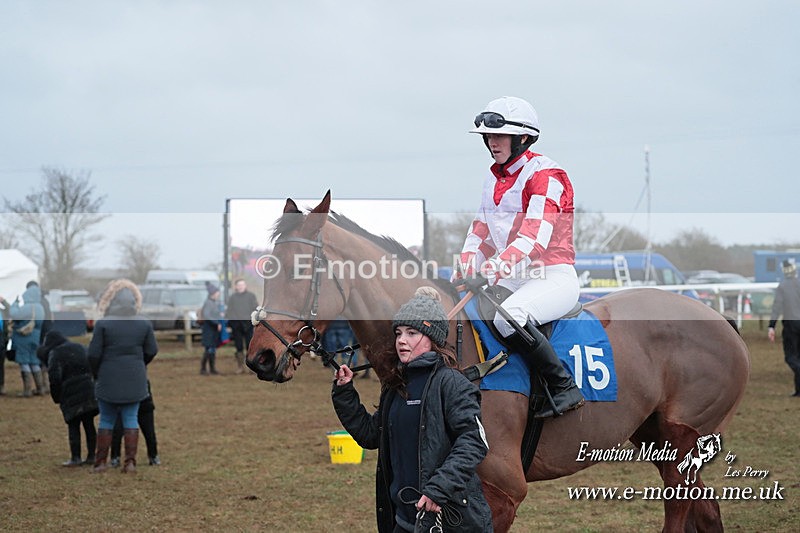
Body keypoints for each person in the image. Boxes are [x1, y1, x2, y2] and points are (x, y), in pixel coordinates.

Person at [453, 95, 583, 418]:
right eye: (488, 136)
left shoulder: (546, 175)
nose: (492, 142)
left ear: (523, 138)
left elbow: (534, 239)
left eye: (500, 136)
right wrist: (467, 267)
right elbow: (480, 232)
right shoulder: (493, 178)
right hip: (514, 277)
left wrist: (490, 270)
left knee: (508, 316)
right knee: (471, 311)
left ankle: (563, 385)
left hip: (552, 275)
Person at [332, 287, 493, 533]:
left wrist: (439, 489)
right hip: (404, 520)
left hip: (449, 520)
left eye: (412, 332)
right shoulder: (396, 386)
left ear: (433, 338)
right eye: (398, 333)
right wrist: (345, 393)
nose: (401, 340)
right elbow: (371, 435)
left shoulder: (452, 383)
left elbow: (473, 442)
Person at [88, 279, 158, 473]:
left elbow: (93, 354)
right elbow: (152, 350)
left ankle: (101, 462)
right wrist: (139, 363)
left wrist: (97, 373)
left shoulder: (103, 324)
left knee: (106, 419)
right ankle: (130, 463)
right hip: (135, 377)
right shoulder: (144, 323)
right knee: (131, 418)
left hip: (107, 376)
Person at [40, 330, 98, 466]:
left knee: (73, 425)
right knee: (89, 424)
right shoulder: (80, 347)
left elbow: (54, 377)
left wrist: (56, 397)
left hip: (70, 393)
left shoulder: (55, 353)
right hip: (89, 390)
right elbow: (93, 364)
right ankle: (92, 456)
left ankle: (75, 457)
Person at [7, 283, 46, 397]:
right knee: (34, 362)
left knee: (24, 362)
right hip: (35, 338)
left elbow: (14, 314)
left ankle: (27, 390)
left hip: (23, 338)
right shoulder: (40, 308)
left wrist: (15, 303)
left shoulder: (28, 307)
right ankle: (40, 388)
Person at [768, 260, 800, 397]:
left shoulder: (782, 286)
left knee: (791, 357)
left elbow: (777, 307)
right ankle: (798, 390)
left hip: (791, 326)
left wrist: (772, 325)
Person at [110, 380, 160, 467]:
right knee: (117, 431)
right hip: (123, 399)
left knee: (149, 431)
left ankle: (153, 455)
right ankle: (115, 457)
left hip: (142, 400)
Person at [225, 278, 258, 374]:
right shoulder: (232, 298)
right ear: (236, 286)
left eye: (242, 285)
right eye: (239, 285)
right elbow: (229, 311)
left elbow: (255, 309)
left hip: (248, 325)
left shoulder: (251, 296)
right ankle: (240, 367)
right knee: (238, 347)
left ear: (245, 286)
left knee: (250, 346)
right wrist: (231, 323)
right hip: (236, 326)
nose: (240, 287)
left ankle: (251, 367)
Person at [200, 281, 223, 375]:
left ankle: (212, 368)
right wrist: (217, 323)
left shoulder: (212, 302)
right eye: (217, 292)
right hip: (209, 330)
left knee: (212, 349)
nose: (218, 294)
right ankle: (203, 369)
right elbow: (207, 315)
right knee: (209, 349)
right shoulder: (209, 303)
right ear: (213, 293)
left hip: (212, 330)